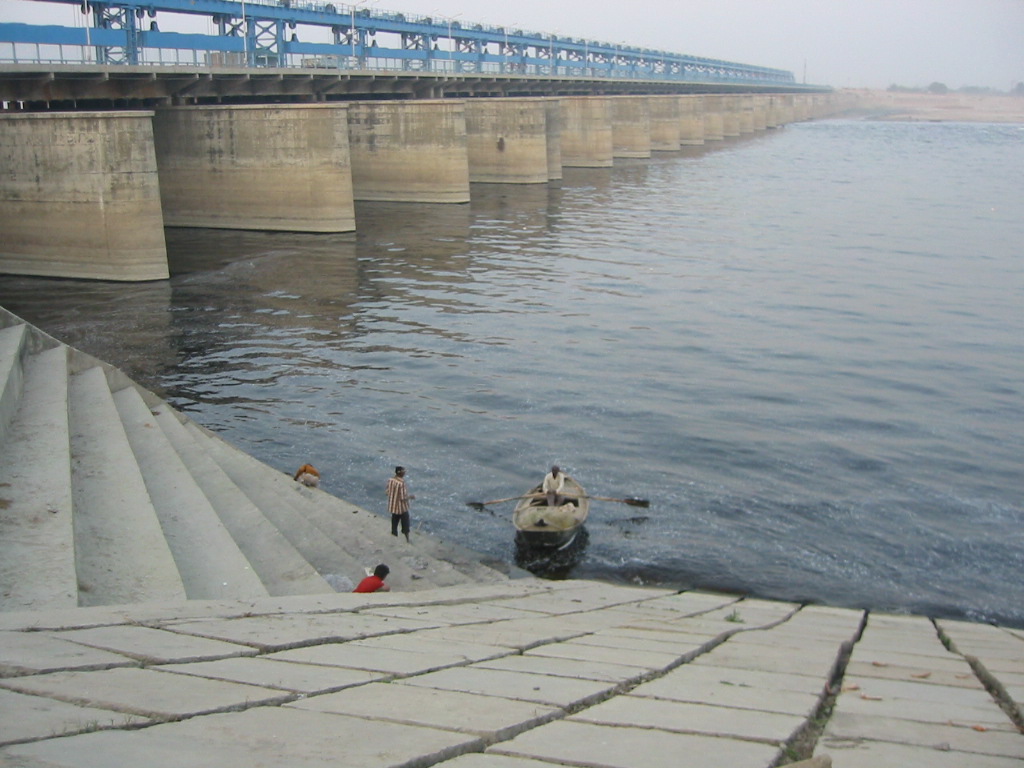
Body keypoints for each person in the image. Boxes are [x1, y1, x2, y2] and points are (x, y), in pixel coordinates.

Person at [386, 466, 414, 542]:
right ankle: (407, 539)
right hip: (402, 508)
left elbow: (387, 492)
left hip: (393, 506)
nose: (405, 472)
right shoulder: (401, 483)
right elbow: (403, 498)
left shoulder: (390, 480)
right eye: (403, 471)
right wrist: (410, 497)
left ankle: (394, 536)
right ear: (400, 473)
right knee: (405, 523)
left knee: (394, 523)